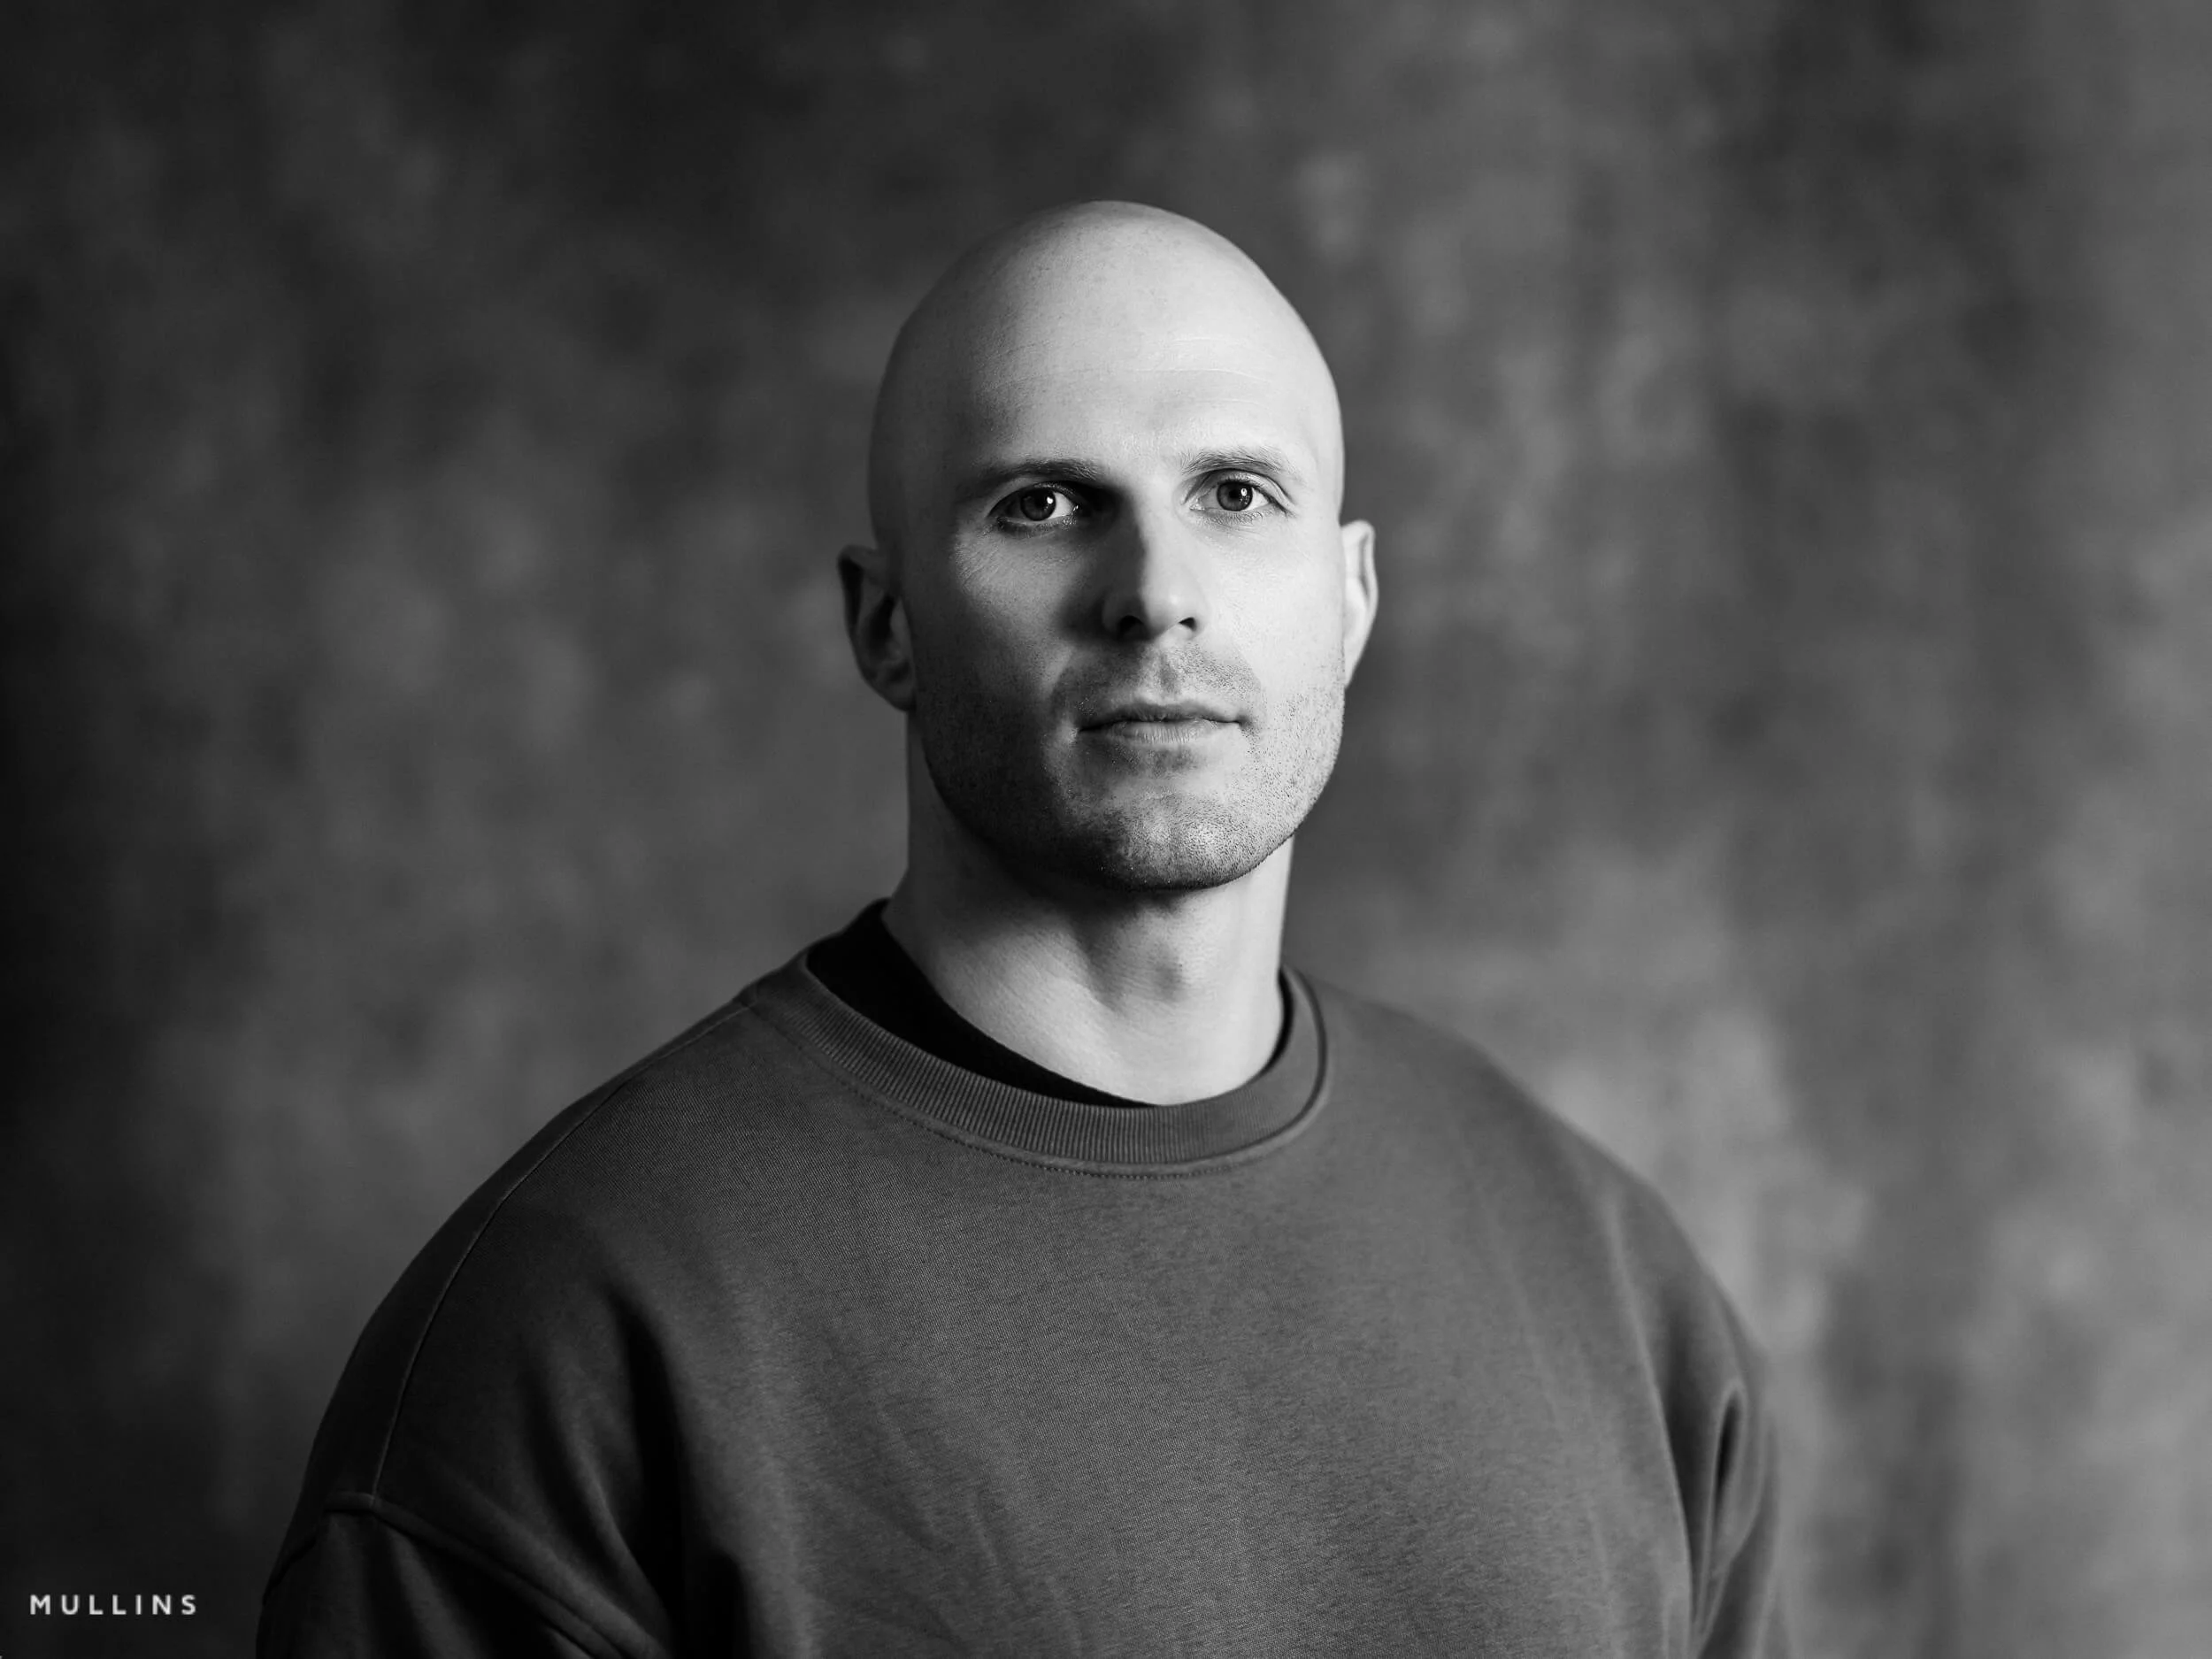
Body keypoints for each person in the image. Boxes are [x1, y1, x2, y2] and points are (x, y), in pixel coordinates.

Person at [258, 201, 1791, 1657]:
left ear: (1352, 597)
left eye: (1237, 496)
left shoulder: (1609, 1280)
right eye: (1042, 505)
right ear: (886, 624)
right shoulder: (577, 1325)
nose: (1155, 594)